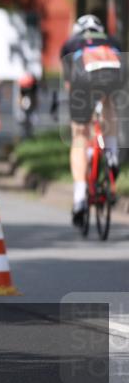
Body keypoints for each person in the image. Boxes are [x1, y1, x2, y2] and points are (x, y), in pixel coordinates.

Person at [60, 14, 123, 228]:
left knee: (79, 135)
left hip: (83, 80)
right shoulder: (111, 40)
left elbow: (69, 84)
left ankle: (79, 198)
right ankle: (112, 153)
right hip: (113, 75)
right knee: (109, 103)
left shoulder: (71, 43)